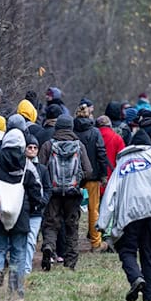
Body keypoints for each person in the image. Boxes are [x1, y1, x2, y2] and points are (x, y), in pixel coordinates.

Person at [97, 142, 151, 301]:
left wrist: (102, 224)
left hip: (128, 213)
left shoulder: (121, 164)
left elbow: (109, 194)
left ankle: (136, 277)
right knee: (149, 253)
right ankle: (150, 296)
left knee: (126, 250)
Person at [0, 129, 44, 297]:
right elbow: (37, 192)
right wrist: (35, 207)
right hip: (20, 214)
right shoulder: (28, 165)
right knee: (18, 251)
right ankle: (15, 290)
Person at [38, 114, 92, 271]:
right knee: (72, 226)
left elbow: (41, 168)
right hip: (73, 193)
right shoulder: (79, 146)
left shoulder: (48, 145)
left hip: (53, 193)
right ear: (71, 127)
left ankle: (48, 247)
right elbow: (88, 171)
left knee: (50, 224)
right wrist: (78, 180)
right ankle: (71, 261)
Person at [74, 101, 109, 251]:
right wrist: (103, 174)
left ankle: (71, 242)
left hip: (74, 177)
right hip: (93, 177)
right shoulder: (95, 132)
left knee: (72, 210)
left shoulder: (72, 131)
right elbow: (101, 153)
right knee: (93, 210)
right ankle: (95, 243)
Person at [23, 134, 50, 276]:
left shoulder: (42, 169)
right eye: (29, 147)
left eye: (35, 148)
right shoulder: (20, 167)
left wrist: (43, 201)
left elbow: (47, 187)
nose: (32, 150)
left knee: (31, 240)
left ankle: (26, 269)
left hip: (36, 210)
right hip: (22, 209)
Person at [96, 115, 125, 181]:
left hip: (96, 179)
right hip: (112, 177)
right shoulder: (117, 138)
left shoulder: (93, 137)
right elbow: (122, 159)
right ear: (110, 124)